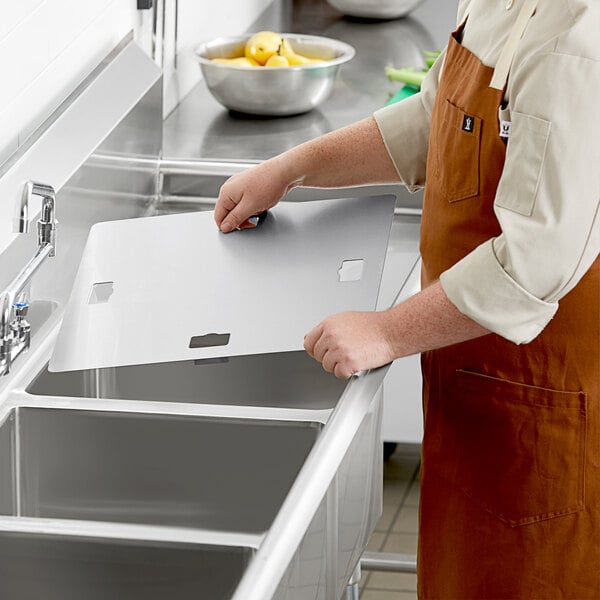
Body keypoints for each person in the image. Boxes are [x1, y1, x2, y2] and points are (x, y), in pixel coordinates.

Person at [214, 0, 600, 597]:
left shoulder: (576, 39)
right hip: (475, 389)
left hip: (548, 409)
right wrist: (293, 167)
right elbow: (431, 118)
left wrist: (387, 331)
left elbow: (534, 261)